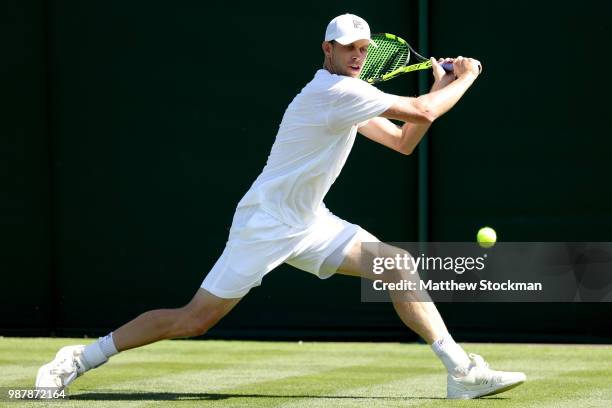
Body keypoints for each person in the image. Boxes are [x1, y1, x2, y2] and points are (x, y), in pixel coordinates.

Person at [36, 13, 525, 399]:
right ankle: (79, 357)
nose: (358, 55)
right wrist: (466, 77)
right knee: (194, 319)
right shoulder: (335, 92)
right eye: (348, 47)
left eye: (363, 48)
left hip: (310, 222)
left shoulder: (350, 95)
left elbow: (403, 141)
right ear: (326, 50)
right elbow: (419, 113)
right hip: (266, 224)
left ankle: (460, 371)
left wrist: (441, 88)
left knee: (396, 265)